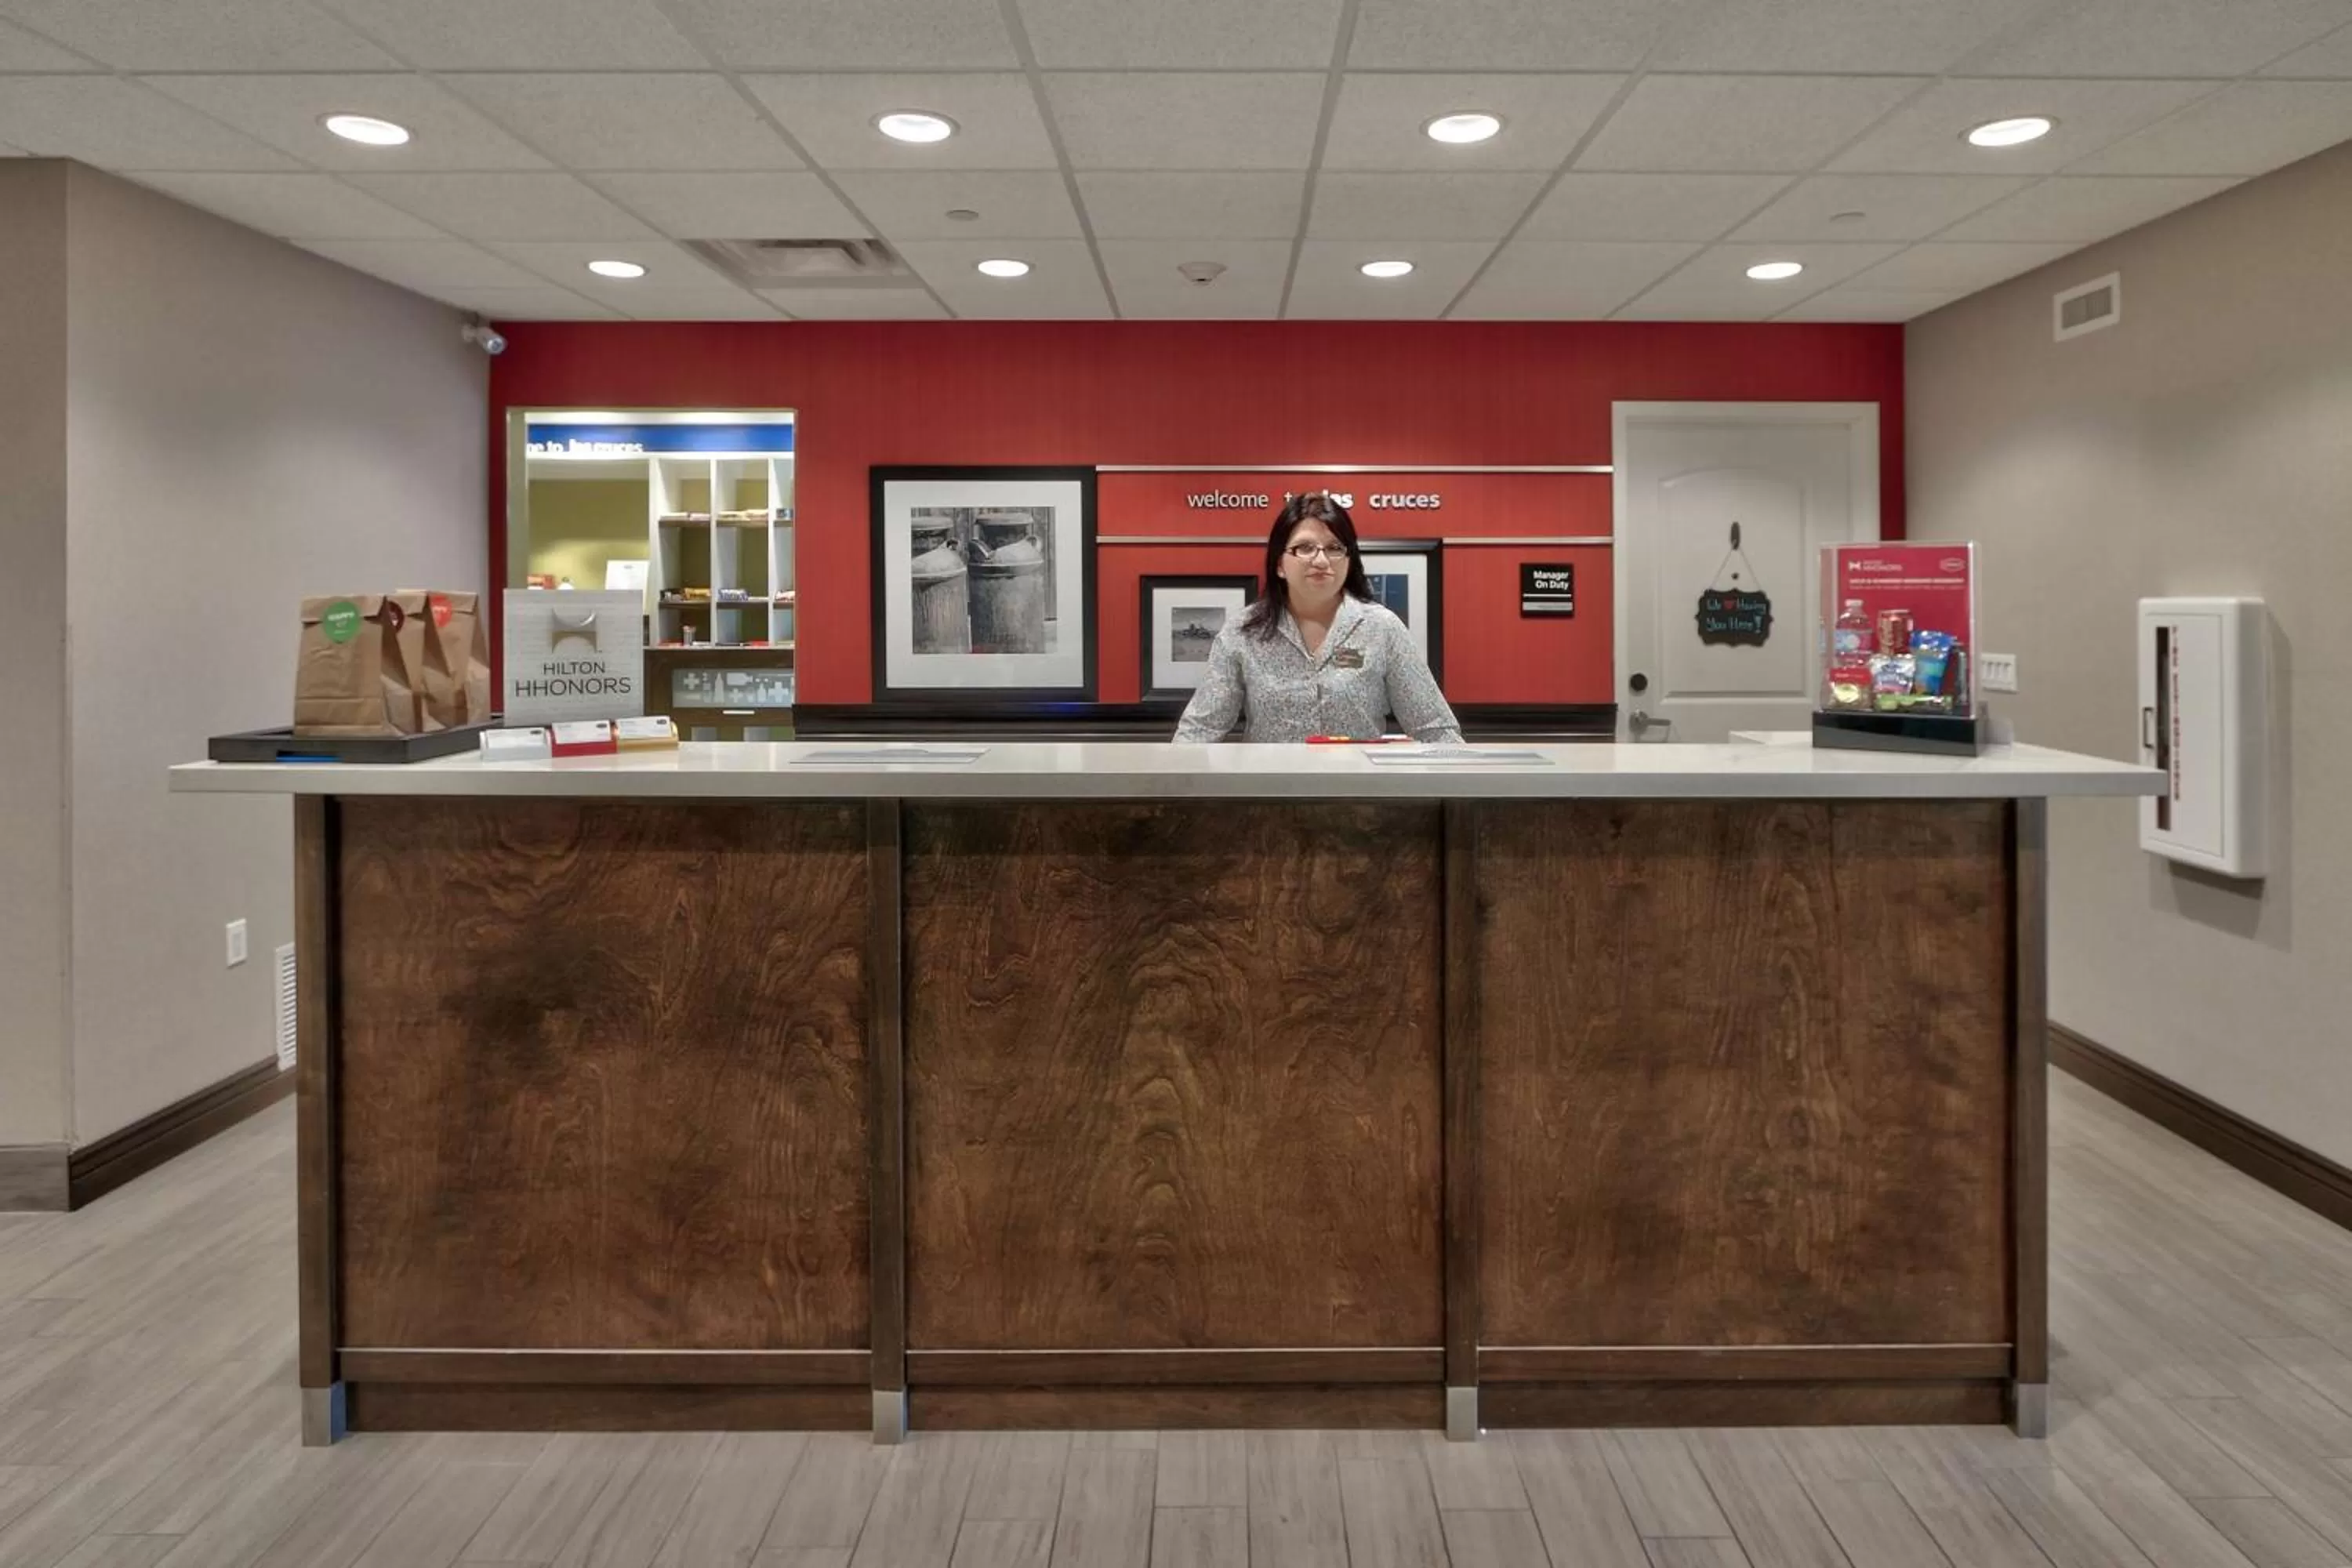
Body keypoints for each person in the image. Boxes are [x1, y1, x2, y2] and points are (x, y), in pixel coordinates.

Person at [1174, 492, 1463, 744]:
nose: (1322, 561)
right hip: (1270, 800)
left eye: (1335, 548)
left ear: (1350, 560)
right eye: (1305, 548)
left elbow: (1436, 730)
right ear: (1279, 565)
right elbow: (1201, 730)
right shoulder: (1243, 632)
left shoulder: (1383, 628)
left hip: (1363, 800)